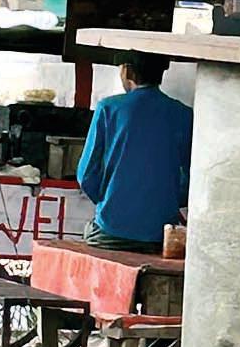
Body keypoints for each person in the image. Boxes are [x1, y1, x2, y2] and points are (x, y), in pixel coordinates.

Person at [78, 51, 193, 254]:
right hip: (161, 235)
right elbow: (190, 177)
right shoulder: (184, 114)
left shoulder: (109, 108)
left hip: (110, 231)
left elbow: (86, 175)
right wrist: (167, 201)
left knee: (89, 231)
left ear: (128, 71)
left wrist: (110, 200)